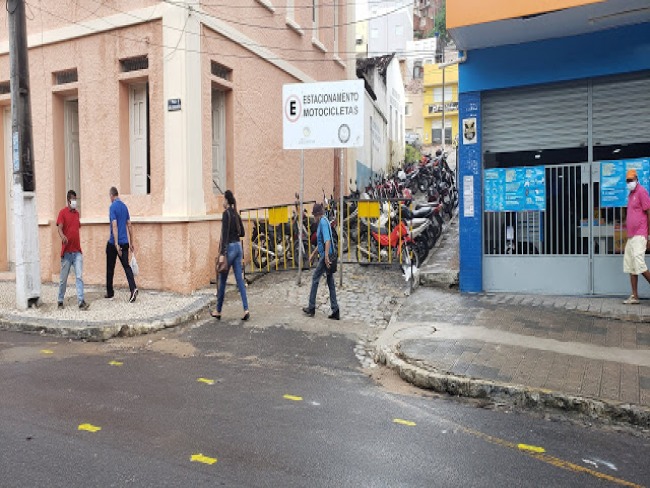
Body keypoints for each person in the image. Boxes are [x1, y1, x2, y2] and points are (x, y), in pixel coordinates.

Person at [212, 190, 249, 321]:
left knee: (222, 281)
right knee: (240, 280)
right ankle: (246, 309)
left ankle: (218, 310)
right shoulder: (236, 214)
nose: (223, 202)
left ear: (226, 201)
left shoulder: (226, 214)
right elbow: (242, 232)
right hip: (239, 247)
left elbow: (224, 235)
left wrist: (222, 253)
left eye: (223, 199)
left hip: (230, 249)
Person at [303, 203, 340, 320]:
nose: (313, 217)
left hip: (326, 256)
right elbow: (320, 242)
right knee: (330, 282)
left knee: (315, 278)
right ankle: (335, 310)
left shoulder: (323, 223)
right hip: (327, 255)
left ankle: (311, 307)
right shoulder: (323, 221)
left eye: (314, 215)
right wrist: (313, 254)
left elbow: (327, 241)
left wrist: (326, 257)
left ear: (318, 214)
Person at [56, 190, 89, 310]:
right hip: (66, 253)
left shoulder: (77, 214)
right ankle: (60, 300)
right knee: (63, 279)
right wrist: (62, 236)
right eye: (73, 199)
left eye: (76, 199)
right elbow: (59, 228)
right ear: (68, 200)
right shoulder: (62, 213)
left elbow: (76, 229)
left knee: (79, 276)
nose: (75, 202)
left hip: (77, 252)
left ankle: (81, 302)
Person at [105, 187, 138, 302]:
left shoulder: (112, 207)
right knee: (126, 266)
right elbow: (129, 225)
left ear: (111, 195)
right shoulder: (124, 207)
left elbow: (114, 225)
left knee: (110, 268)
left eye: (109, 196)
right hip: (125, 243)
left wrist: (115, 243)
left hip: (114, 243)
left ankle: (110, 293)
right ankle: (133, 288)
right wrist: (131, 242)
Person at [623, 168, 650, 304]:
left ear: (636, 179)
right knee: (631, 265)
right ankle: (635, 296)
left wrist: (649, 235)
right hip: (631, 236)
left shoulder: (641, 192)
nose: (629, 182)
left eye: (631, 180)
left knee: (639, 264)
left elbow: (648, 212)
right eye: (627, 180)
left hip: (640, 234)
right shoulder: (630, 194)